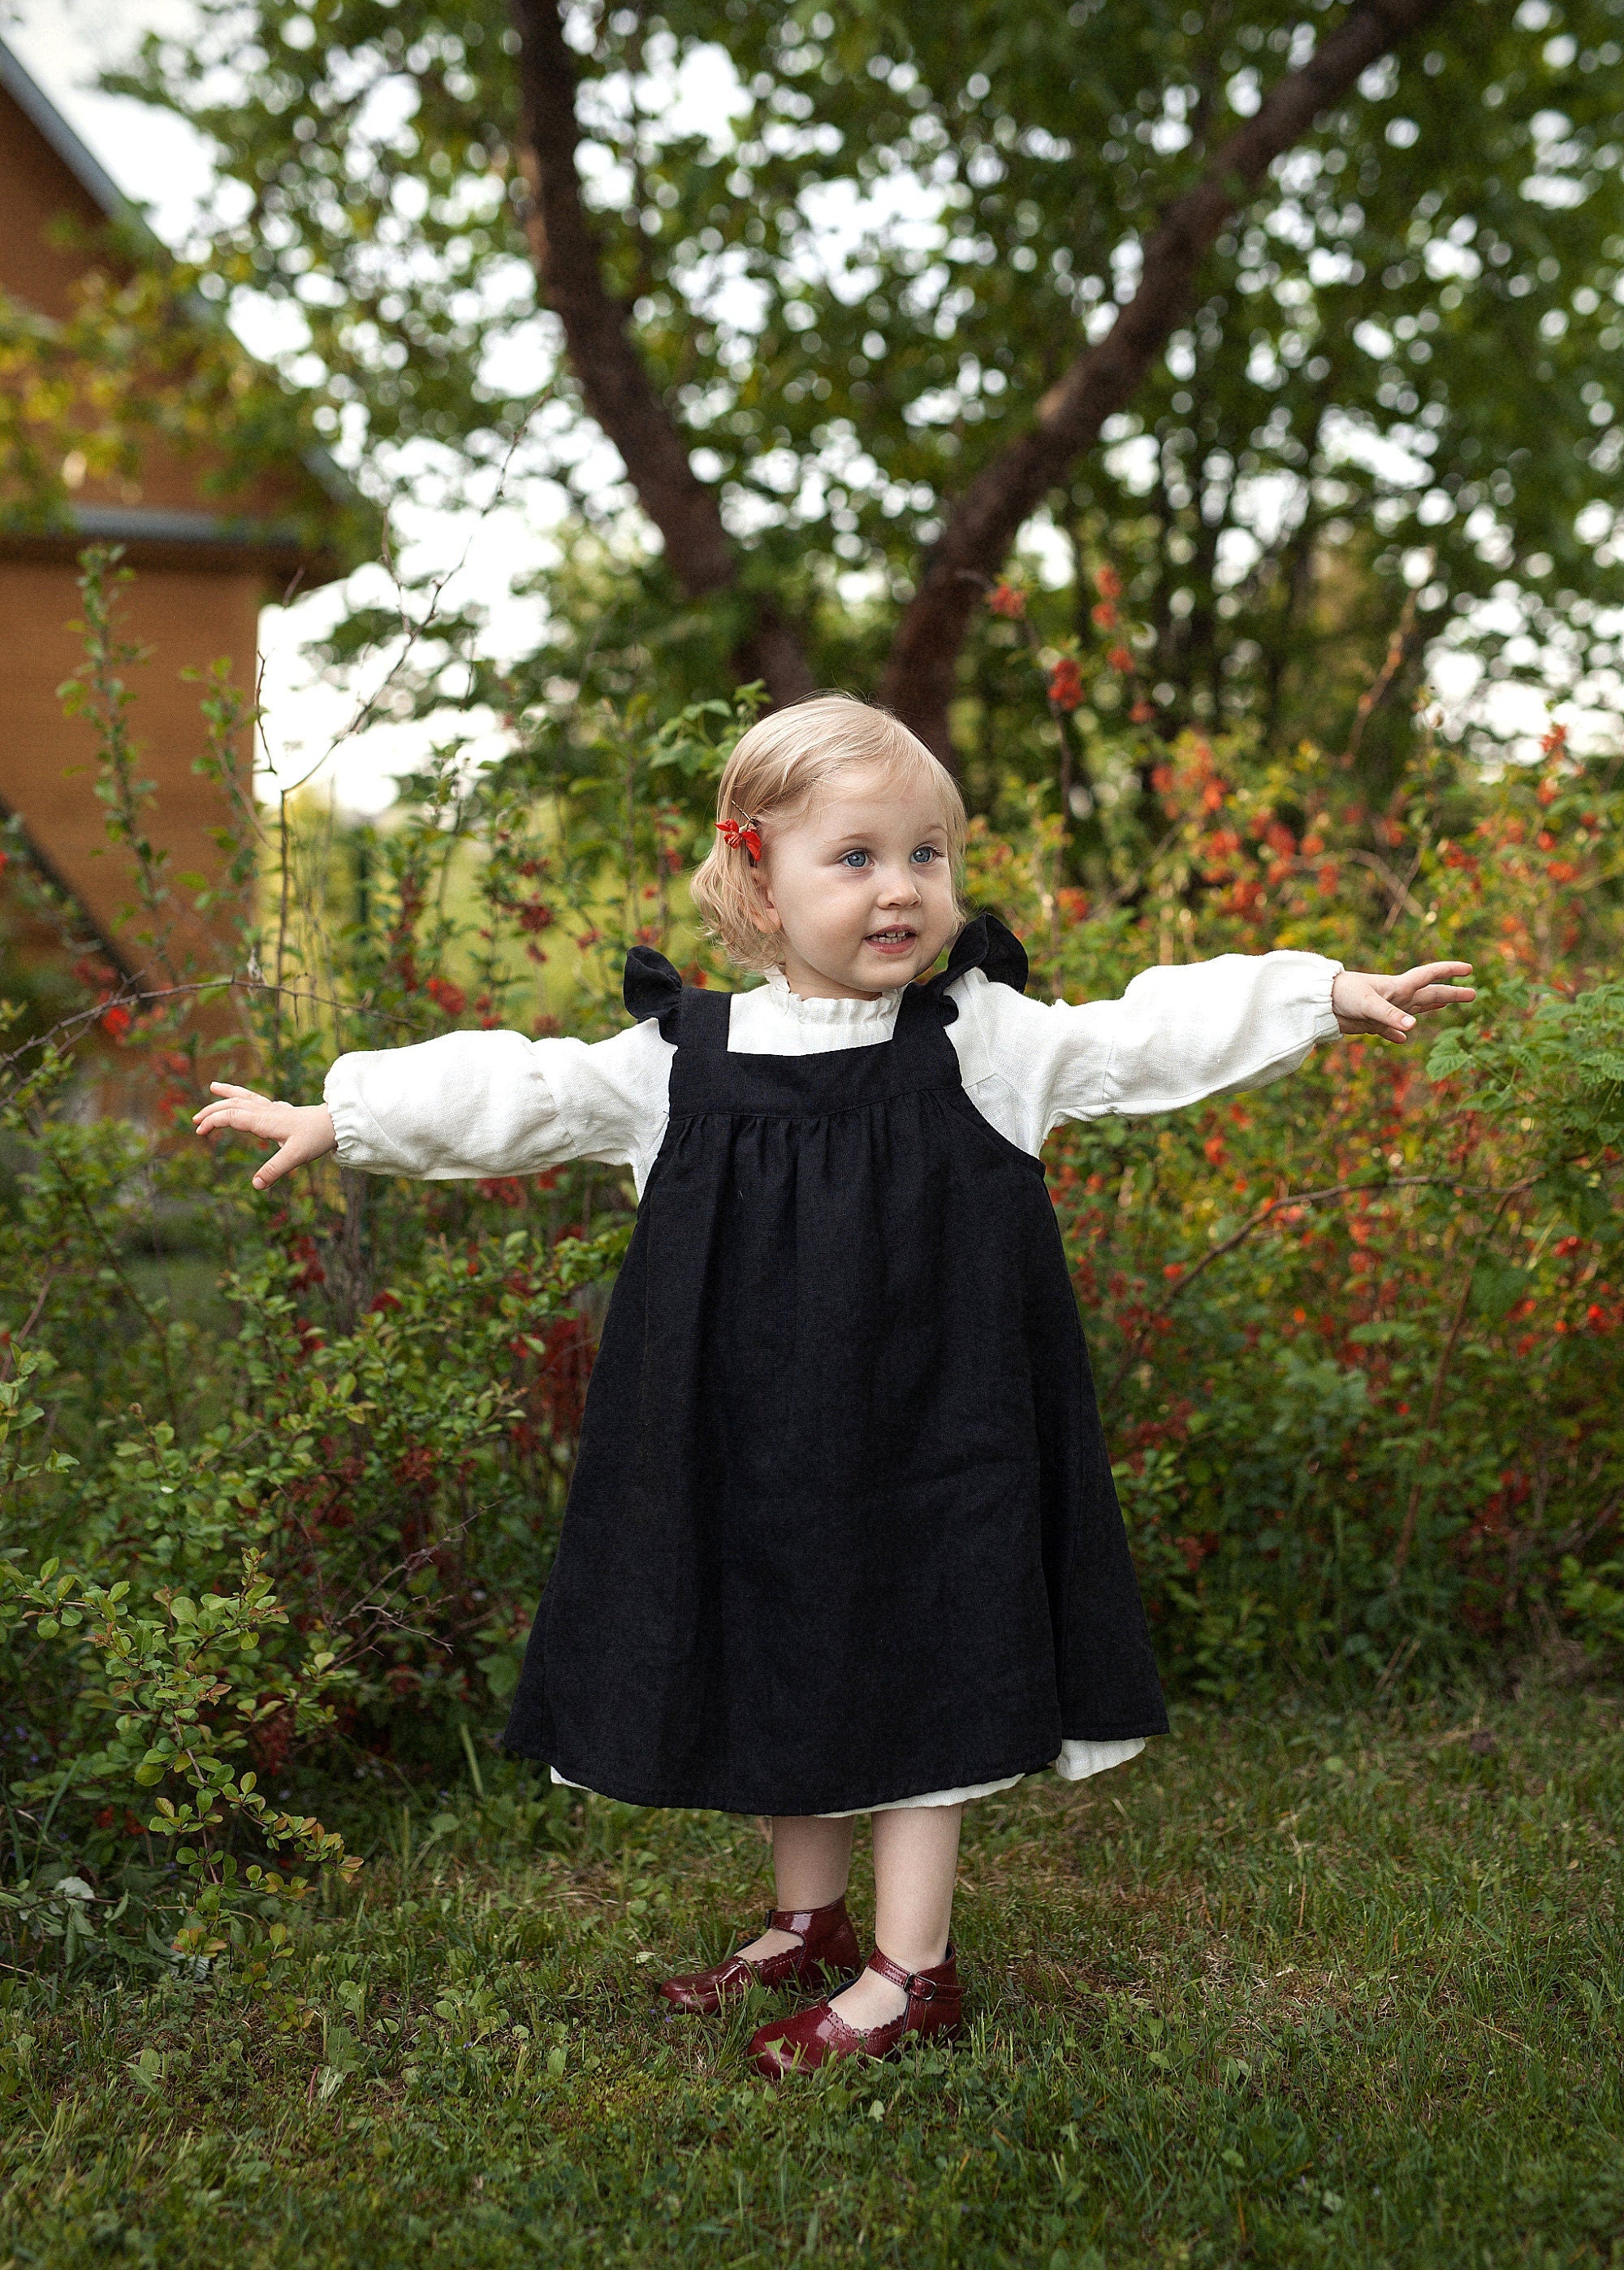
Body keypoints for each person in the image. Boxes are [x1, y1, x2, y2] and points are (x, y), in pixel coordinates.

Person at [195, 694, 1473, 2078]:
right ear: (758, 878)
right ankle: (804, 1921)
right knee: (772, 1655)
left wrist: (1323, 994)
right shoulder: (681, 1059)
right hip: (745, 1439)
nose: (901, 888)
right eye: (854, 857)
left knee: (921, 1664)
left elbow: (1137, 1038)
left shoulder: (981, 1039)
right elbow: (531, 1091)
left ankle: (911, 1971)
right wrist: (347, 1113)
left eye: (926, 855)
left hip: (939, 1440)